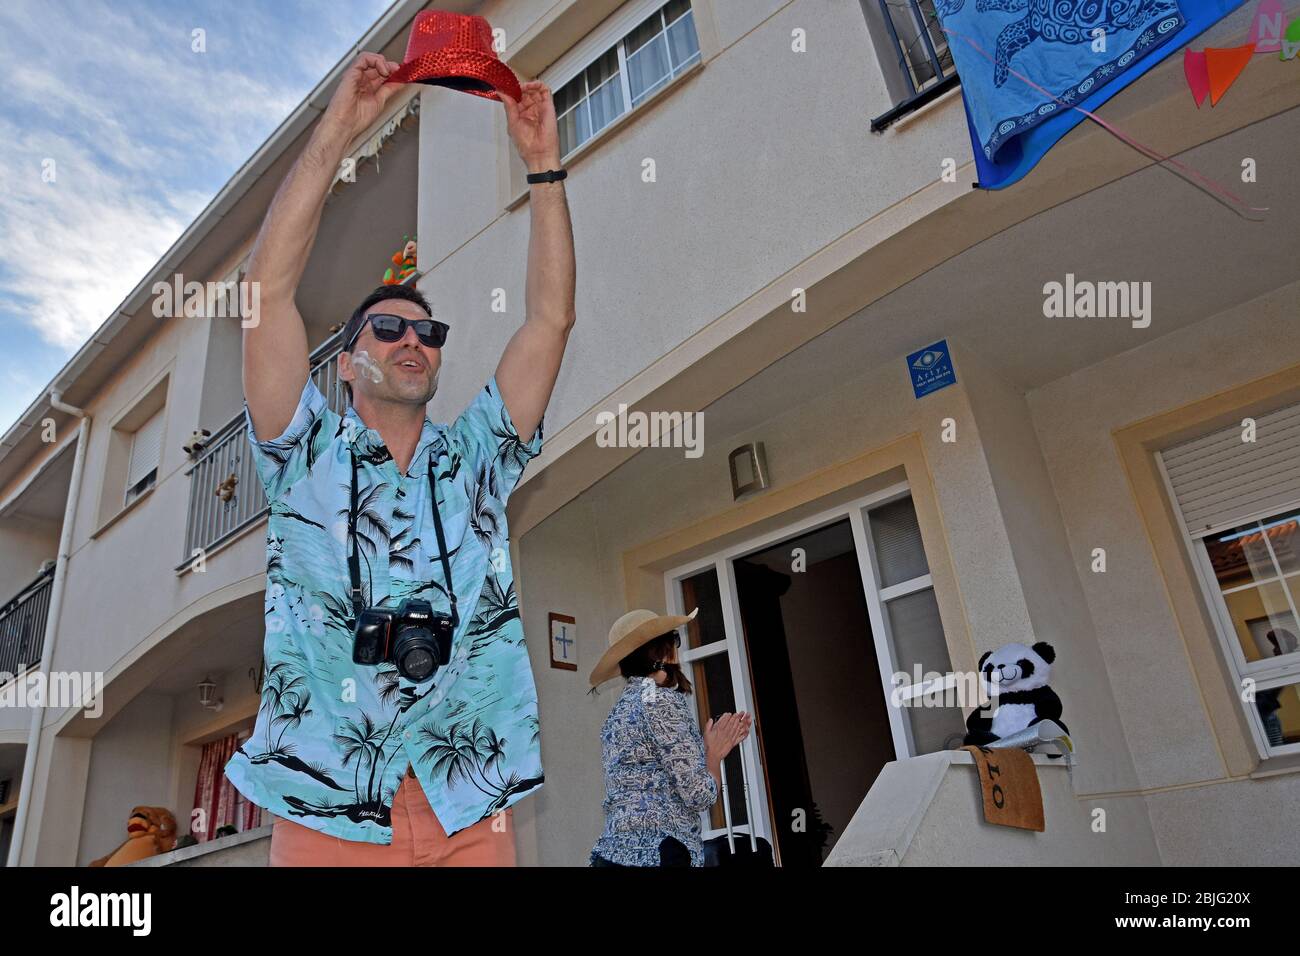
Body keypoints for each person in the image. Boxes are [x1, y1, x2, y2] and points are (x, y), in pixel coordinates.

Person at [224, 52, 575, 866]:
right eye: (387, 328)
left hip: (470, 800)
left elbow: (548, 321)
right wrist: (341, 130)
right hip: (325, 801)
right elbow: (264, 295)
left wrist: (543, 168)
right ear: (345, 362)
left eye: (428, 332)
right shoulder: (304, 454)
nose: (412, 340)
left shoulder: (478, 460)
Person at [587, 609, 752, 867]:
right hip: (659, 853)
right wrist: (714, 753)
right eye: (674, 640)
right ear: (664, 651)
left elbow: (654, 773)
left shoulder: (619, 711)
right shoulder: (661, 701)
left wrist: (704, 747)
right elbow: (698, 794)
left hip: (612, 854)